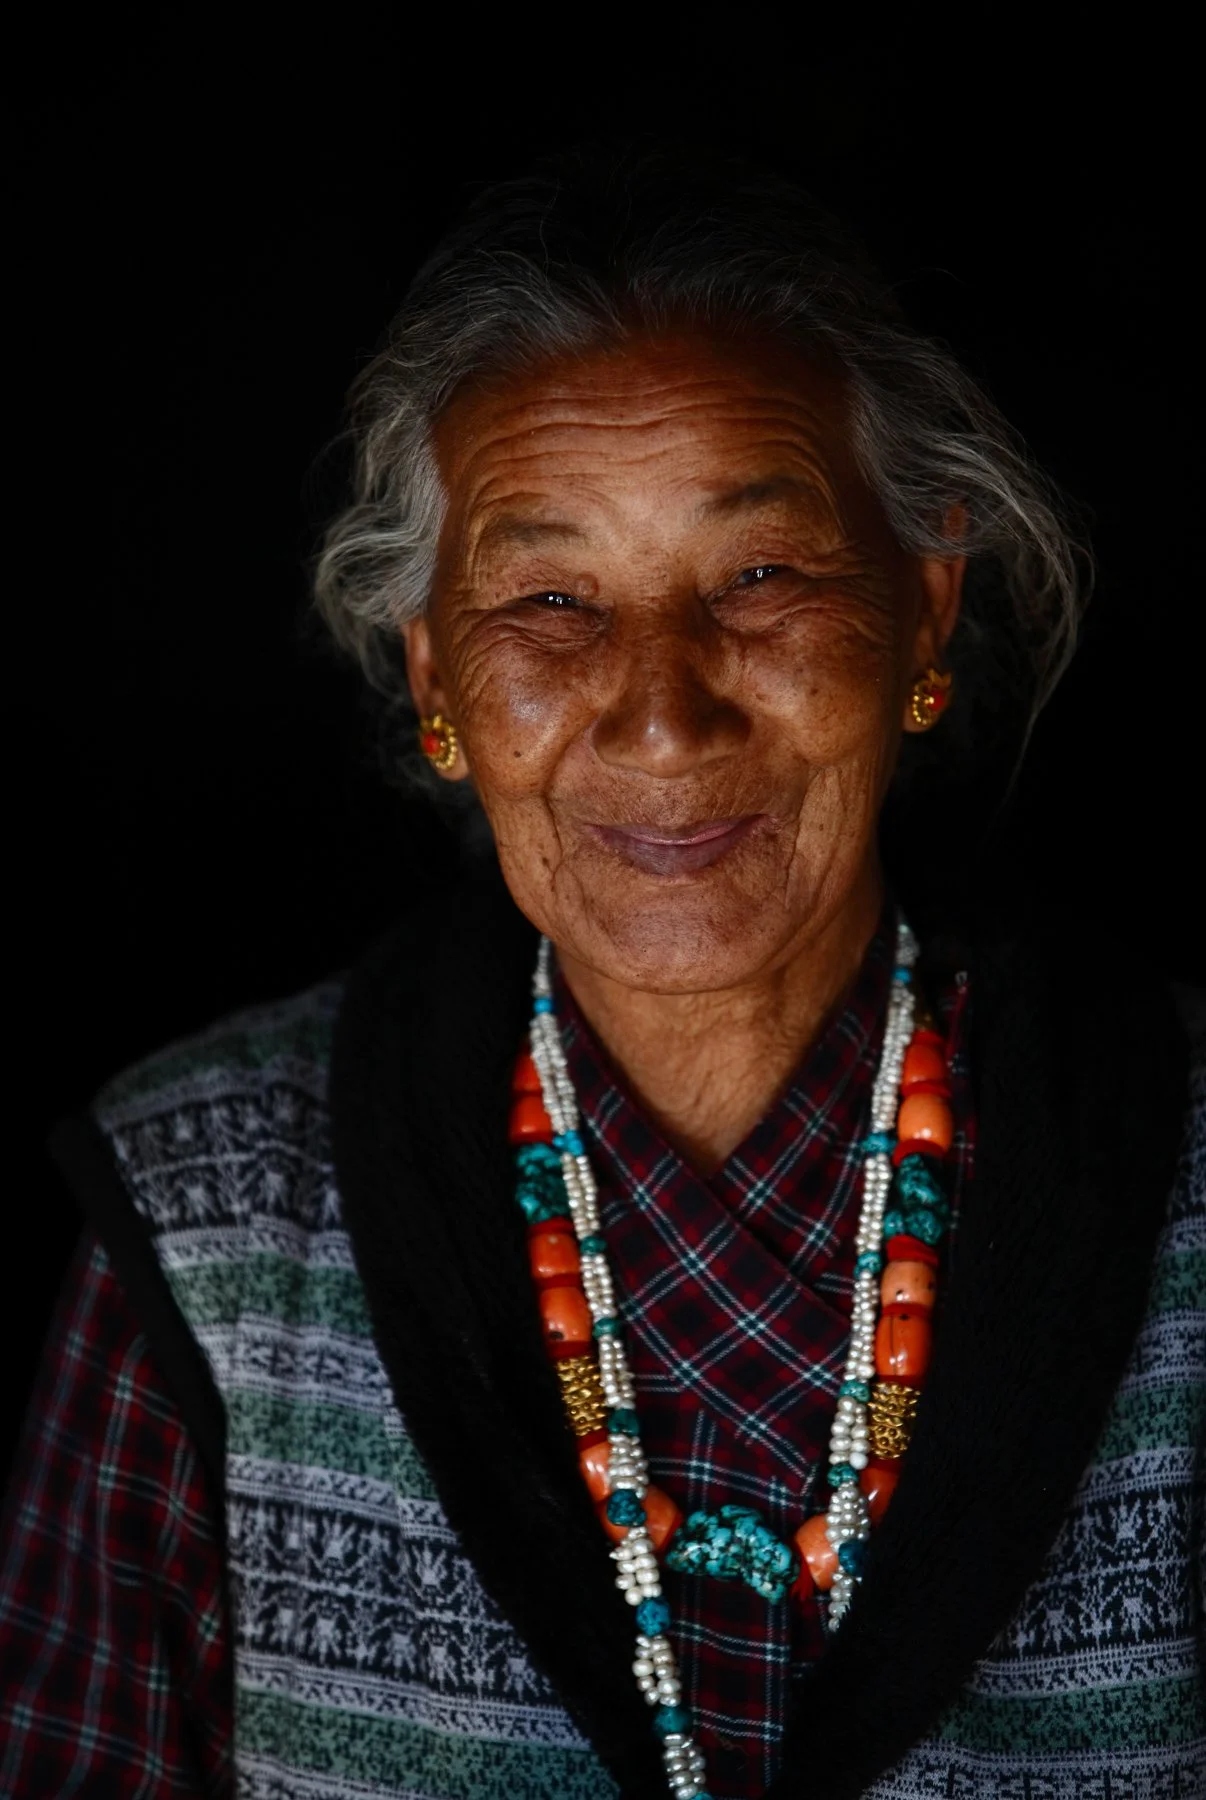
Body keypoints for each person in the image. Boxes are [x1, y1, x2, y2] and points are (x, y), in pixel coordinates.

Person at [2, 146, 1201, 1800]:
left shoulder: (1192, 1175)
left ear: (925, 620)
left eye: (760, 577)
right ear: (436, 678)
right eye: (548, 601)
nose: (658, 713)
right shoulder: (203, 1227)